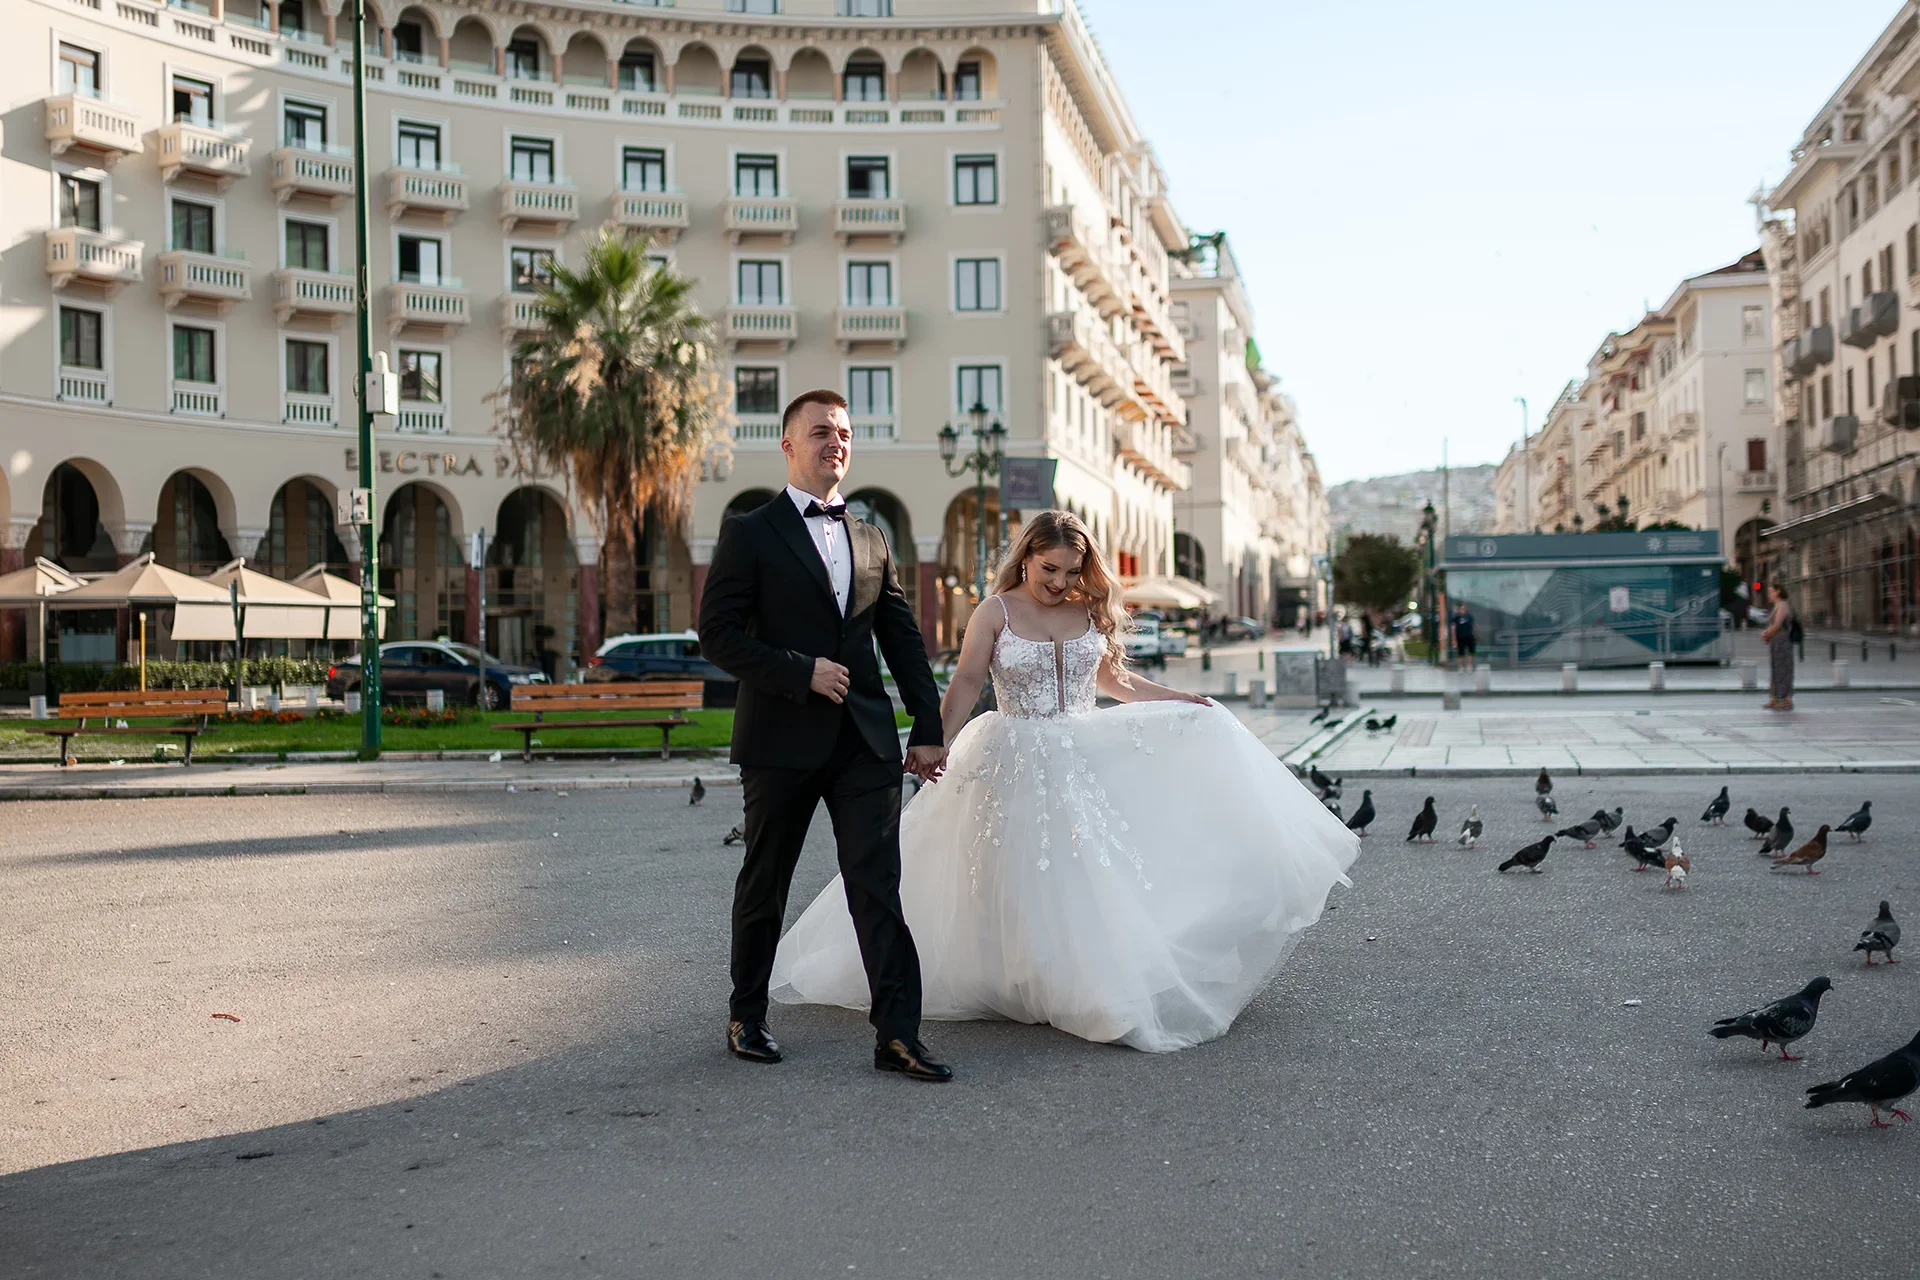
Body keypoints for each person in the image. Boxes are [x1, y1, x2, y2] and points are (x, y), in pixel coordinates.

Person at [770, 510, 1360, 1052]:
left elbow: (1117, 684)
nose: (1058, 581)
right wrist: (935, 742)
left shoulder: (1085, 609)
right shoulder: (994, 611)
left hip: (1082, 750)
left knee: (1091, 873)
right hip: (1013, 752)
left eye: (1071, 571)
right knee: (1014, 871)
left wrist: (1181, 699)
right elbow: (968, 684)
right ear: (1026, 557)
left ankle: (1086, 982)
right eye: (1049, 568)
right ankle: (1017, 976)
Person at [697, 388, 953, 1082]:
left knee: (879, 891)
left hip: (864, 743)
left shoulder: (870, 537)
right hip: (779, 740)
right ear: (787, 445)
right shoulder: (750, 532)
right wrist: (797, 671)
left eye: (843, 432)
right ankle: (746, 1016)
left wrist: (926, 730)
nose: (834, 442)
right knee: (765, 884)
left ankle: (898, 1035)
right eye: (819, 432)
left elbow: (905, 644)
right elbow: (716, 635)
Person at [1761, 580, 1796, 711]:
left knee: (1783, 670)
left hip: (1782, 643)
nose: (1769, 594)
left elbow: (1777, 625)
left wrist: (1766, 634)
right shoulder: (1775, 606)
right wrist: (1767, 635)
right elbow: (1772, 625)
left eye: (1771, 592)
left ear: (1778, 592)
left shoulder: (1782, 605)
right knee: (1775, 671)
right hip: (1775, 643)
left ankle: (1786, 700)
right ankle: (1774, 698)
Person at [1451, 602, 1477, 672]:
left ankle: (1469, 666)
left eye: (1464, 608)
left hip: (1469, 636)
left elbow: (1473, 626)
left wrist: (1475, 635)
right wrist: (1454, 639)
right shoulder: (1456, 618)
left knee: (1471, 652)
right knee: (1460, 653)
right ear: (1459, 609)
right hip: (1460, 637)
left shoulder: (1469, 616)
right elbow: (1453, 628)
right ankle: (1460, 667)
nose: (1463, 610)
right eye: (1461, 609)